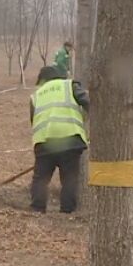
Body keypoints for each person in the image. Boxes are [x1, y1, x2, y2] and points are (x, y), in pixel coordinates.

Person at [29, 65, 90, 214]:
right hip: (70, 139)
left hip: (44, 142)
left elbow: (34, 119)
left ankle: (37, 208)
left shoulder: (36, 95)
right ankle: (67, 211)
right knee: (69, 178)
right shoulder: (70, 85)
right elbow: (88, 101)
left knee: (41, 178)